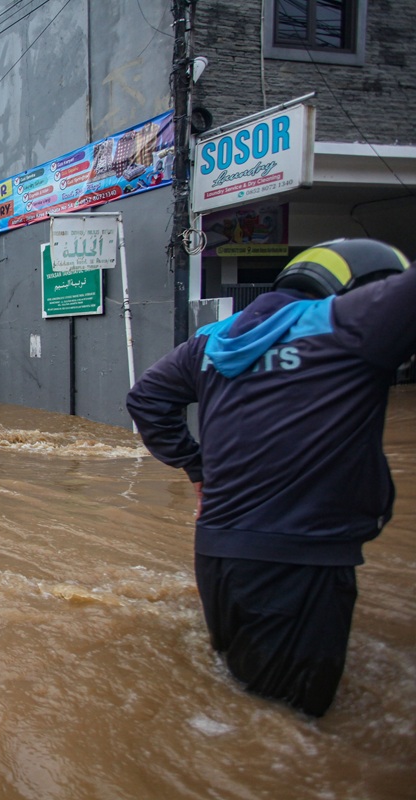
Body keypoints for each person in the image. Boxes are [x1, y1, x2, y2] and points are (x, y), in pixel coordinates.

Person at [126, 238, 414, 716]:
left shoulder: (214, 343)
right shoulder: (349, 321)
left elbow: (145, 400)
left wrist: (197, 468)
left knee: (243, 698)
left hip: (219, 553)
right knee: (291, 724)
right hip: (300, 559)